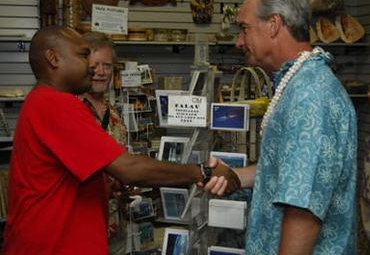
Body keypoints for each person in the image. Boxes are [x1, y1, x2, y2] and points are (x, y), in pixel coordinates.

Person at [3, 26, 240, 255]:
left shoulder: (40, 101)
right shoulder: (57, 104)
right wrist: (202, 172)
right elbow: (130, 169)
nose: (92, 67)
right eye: (83, 55)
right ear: (53, 58)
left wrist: (106, 184)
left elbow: (59, 178)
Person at [205, 0, 357, 254]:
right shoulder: (298, 83)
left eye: (244, 28)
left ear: (273, 25)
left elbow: (304, 210)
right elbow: (289, 170)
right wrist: (236, 176)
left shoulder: (310, 96)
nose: (238, 42)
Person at [80, 31, 128, 253]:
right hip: (81, 229)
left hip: (115, 227)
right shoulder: (70, 110)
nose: (100, 73)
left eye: (107, 66)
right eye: (94, 65)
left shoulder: (116, 116)